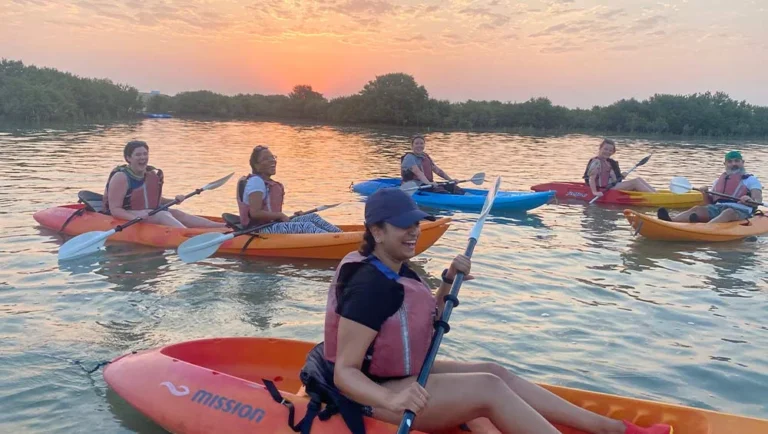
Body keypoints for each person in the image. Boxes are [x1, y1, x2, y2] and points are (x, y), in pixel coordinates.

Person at [292, 187, 672, 434]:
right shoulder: (369, 286)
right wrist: (392, 400)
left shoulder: (393, 266)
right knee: (488, 389)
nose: (413, 232)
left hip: (398, 374)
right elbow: (345, 372)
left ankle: (611, 429)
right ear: (375, 230)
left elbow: (410, 326)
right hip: (372, 393)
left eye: (416, 223)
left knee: (494, 371)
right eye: (402, 226)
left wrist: (445, 283)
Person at [104, 140, 225, 228]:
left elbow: (153, 199)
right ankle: (187, 235)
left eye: (145, 154)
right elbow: (115, 210)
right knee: (162, 215)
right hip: (128, 214)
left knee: (176, 213)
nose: (143, 157)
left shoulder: (150, 174)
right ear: (128, 158)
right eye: (138, 154)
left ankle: (221, 226)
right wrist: (135, 217)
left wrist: (174, 200)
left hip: (147, 212)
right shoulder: (121, 177)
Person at [235, 145, 342, 234]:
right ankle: (337, 242)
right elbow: (255, 213)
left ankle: (340, 235)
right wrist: (280, 215)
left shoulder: (264, 182)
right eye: (266, 159)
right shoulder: (256, 182)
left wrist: (284, 216)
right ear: (256, 166)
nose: (272, 161)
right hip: (259, 229)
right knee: (307, 226)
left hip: (272, 223)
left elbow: (269, 210)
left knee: (312, 217)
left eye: (272, 157)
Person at [658, 151, 763, 224]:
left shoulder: (751, 180)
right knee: (697, 209)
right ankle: (670, 220)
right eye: (730, 162)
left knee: (728, 212)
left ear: (742, 163)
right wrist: (705, 193)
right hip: (718, 208)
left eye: (736, 161)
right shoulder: (718, 181)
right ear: (725, 164)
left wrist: (749, 200)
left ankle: (704, 228)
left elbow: (758, 200)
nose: (733, 164)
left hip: (741, 211)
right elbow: (708, 204)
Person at [584, 139, 656, 198]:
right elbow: (591, 178)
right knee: (636, 182)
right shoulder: (596, 162)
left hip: (611, 186)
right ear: (600, 148)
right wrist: (595, 192)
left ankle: (656, 194)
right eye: (605, 149)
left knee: (639, 179)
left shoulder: (608, 162)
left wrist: (621, 176)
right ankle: (655, 197)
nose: (608, 152)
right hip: (604, 189)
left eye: (610, 150)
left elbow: (614, 180)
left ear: (613, 152)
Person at [401, 135, 465, 195]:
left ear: (424, 145)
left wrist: (450, 180)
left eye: (421, 143)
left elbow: (438, 171)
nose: (419, 146)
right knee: (440, 191)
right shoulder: (409, 157)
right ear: (412, 145)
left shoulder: (425, 156)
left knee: (453, 187)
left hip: (427, 184)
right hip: (414, 186)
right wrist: (428, 183)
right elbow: (418, 173)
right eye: (416, 143)